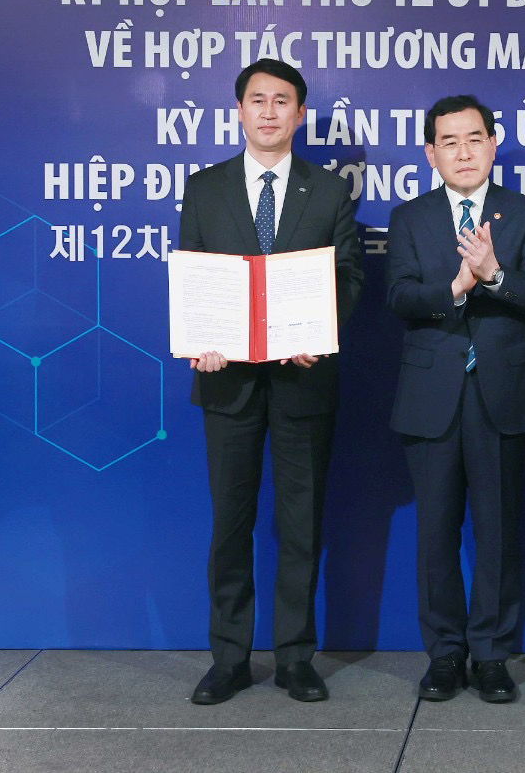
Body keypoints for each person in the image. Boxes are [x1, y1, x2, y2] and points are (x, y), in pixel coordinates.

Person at [180, 58, 363, 705]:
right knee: (230, 524)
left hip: (302, 383)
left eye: (281, 100)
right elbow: (193, 276)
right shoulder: (204, 188)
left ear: (300, 114)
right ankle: (229, 657)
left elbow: (349, 279)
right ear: (238, 110)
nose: (268, 111)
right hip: (226, 384)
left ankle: (294, 656)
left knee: (300, 522)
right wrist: (198, 340)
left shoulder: (330, 191)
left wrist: (320, 330)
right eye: (256, 99)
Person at [387, 94, 525, 704]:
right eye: (449, 142)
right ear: (431, 153)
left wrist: (494, 274)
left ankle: (491, 655)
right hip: (432, 395)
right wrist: (455, 286)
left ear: (491, 143)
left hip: (502, 393)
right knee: (435, 534)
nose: (463, 151)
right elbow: (399, 297)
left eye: (474, 138)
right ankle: (445, 654)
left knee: (498, 531)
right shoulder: (410, 217)